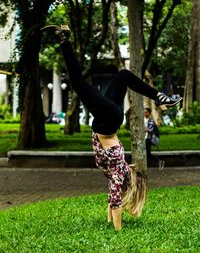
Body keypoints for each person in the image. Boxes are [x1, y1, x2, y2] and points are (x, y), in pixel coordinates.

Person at [41, 25, 182, 230]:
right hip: (107, 121)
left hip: (109, 119)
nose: (132, 168)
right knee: (81, 83)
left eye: (134, 172)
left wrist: (110, 221)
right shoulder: (119, 171)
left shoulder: (116, 173)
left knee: (121, 75)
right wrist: (118, 230)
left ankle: (161, 99)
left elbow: (112, 200)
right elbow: (116, 201)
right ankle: (64, 39)